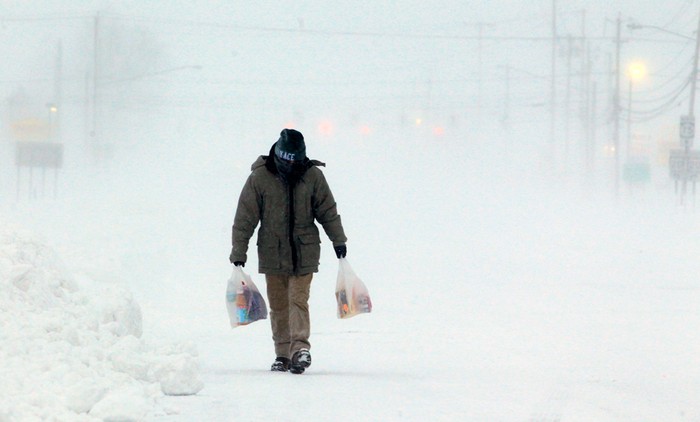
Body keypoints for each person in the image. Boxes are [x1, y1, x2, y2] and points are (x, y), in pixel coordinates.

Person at [229, 128, 347, 374]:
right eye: (288, 159)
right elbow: (245, 218)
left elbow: (327, 210)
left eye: (296, 159)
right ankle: (282, 354)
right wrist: (239, 251)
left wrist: (338, 240)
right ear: (280, 154)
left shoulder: (313, 176)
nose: (291, 164)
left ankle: (300, 349)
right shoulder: (260, 178)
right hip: (272, 251)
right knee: (279, 304)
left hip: (305, 251)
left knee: (298, 300)